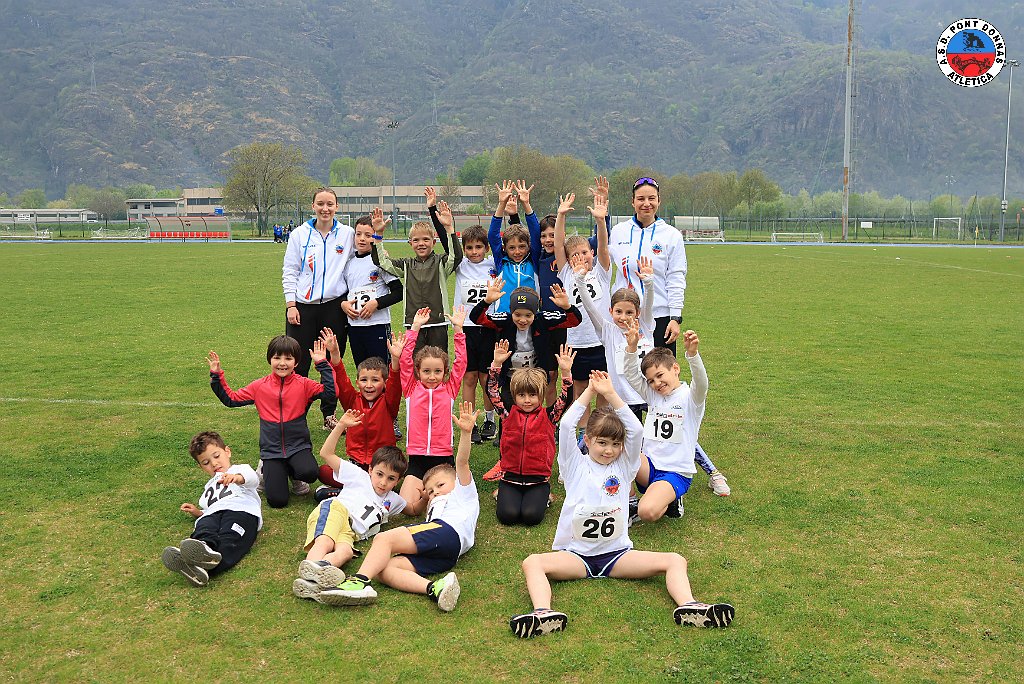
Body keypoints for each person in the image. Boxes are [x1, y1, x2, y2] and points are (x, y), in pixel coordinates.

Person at [508, 372, 734, 637]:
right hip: (577, 556)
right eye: (602, 443)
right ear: (587, 441)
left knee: (675, 560)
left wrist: (611, 394)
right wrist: (590, 392)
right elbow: (567, 424)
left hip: (617, 556)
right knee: (532, 563)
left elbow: (636, 430)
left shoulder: (625, 467)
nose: (608, 450)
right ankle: (543, 613)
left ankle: (690, 606)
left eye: (616, 444)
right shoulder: (573, 465)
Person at [607, 177, 729, 496]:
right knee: (631, 403)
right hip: (626, 318)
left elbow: (676, 277)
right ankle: (628, 474)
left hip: (659, 318)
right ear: (632, 202)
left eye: (651, 198)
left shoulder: (671, 235)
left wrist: (675, 316)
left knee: (668, 405)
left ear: (659, 201)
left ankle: (710, 470)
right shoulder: (618, 232)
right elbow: (604, 266)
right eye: (640, 198)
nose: (646, 203)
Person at [318, 401, 481, 612]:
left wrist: (466, 433)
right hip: (449, 552)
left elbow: (462, 462)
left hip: (447, 532)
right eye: (430, 490)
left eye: (440, 485)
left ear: (457, 481)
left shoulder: (463, 491)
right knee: (384, 569)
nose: (435, 492)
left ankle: (359, 581)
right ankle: (435, 588)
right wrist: (425, 499)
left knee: (384, 539)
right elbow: (415, 509)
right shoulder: (433, 506)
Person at [293, 410, 408, 604]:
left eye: (391, 479)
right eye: (379, 474)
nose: (383, 482)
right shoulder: (358, 476)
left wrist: (427, 495)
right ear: (370, 470)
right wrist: (341, 426)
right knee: (325, 542)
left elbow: (412, 509)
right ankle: (312, 567)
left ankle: (315, 579)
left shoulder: (393, 499)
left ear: (397, 481)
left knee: (346, 552)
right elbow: (326, 454)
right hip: (336, 510)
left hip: (351, 531)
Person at [470, 282, 581, 480]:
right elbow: (477, 318)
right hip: (510, 376)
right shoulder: (504, 320)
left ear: (535, 312)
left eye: (528, 315)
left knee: (535, 415)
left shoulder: (543, 320)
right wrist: (486, 301)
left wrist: (567, 306)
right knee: (507, 414)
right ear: (511, 312)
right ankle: (504, 461)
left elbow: (574, 320)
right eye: (518, 315)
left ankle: (535, 456)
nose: (522, 320)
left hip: (535, 377)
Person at [208, 336, 335, 508]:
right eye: (277, 357)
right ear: (270, 360)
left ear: (296, 362)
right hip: (271, 451)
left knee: (310, 473)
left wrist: (322, 364)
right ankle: (266, 469)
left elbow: (330, 394)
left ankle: (295, 474)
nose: (282, 363)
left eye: (288, 358)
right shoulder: (259, 386)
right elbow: (231, 399)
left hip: (298, 446)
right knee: (277, 501)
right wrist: (216, 376)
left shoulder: (304, 385)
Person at [623, 323, 712, 521]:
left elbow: (702, 383)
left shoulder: (691, 398)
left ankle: (671, 499)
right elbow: (631, 375)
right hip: (649, 467)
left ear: (675, 369)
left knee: (647, 512)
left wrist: (693, 355)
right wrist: (631, 347)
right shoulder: (653, 395)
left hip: (675, 472)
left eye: (660, 375)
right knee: (621, 449)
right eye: (651, 380)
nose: (657, 383)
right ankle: (631, 501)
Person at [282, 186, 354, 430]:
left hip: (334, 308)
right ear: (313, 206)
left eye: (330, 204)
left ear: (337, 207)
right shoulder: (299, 235)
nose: (325, 208)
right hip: (303, 308)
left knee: (331, 363)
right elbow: (290, 270)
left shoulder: (347, 234)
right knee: (298, 363)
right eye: (320, 204)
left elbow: (361, 261)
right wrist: (291, 304)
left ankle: (328, 414)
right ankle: (296, 415)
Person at [486, 343, 575, 526]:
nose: (527, 400)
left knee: (531, 517)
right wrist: (496, 364)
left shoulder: (549, 416)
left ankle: (545, 496)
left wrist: (566, 372)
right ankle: (502, 493)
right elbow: (492, 391)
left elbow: (566, 399)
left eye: (532, 395)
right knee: (507, 516)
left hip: (538, 480)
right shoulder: (507, 414)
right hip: (510, 477)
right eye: (522, 395)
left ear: (541, 395)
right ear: (514, 396)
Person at [161, 431, 261, 587]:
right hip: (213, 513)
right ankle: (200, 548)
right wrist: (198, 513)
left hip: (241, 511)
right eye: (206, 462)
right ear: (201, 467)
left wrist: (237, 478)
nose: (214, 464)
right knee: (204, 527)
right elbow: (210, 507)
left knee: (230, 538)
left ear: (227, 452)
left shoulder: (240, 469)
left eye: (216, 456)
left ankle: (203, 567)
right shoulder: (209, 486)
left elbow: (253, 479)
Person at [398, 305, 467, 516]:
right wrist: (415, 328)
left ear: (445, 373)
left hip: (443, 458)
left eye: (438, 371)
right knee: (407, 508)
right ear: (418, 371)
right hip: (417, 458)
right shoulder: (411, 389)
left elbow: (461, 363)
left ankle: (433, 493)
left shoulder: (449, 389)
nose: (432, 376)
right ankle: (427, 495)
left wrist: (458, 330)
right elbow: (405, 360)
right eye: (426, 371)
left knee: (447, 507)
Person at [552, 191, 613, 432]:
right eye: (574, 255)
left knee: (603, 391)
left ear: (592, 253)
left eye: (585, 252)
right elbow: (558, 244)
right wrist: (561, 215)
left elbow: (604, 246)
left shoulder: (601, 272)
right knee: (580, 390)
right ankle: (582, 435)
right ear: (567, 260)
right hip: (577, 343)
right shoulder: (567, 274)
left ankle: (601, 431)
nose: (580, 257)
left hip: (602, 342)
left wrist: (600, 221)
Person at [372, 200, 461, 353]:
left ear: (433, 242)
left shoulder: (441, 263)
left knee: (438, 362)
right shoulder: (406, 265)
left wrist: (449, 228)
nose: (421, 243)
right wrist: (378, 235)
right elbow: (381, 262)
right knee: (414, 363)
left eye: (426, 239)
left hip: (438, 323)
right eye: (416, 240)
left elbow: (456, 256)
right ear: (410, 243)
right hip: (413, 324)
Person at [316, 328, 403, 479]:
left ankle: (365, 485)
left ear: (384, 383)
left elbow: (395, 384)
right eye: (364, 380)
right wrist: (335, 353)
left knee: (381, 477)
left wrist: (395, 360)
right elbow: (341, 380)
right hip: (357, 461)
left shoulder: (389, 402)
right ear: (357, 382)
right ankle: (364, 484)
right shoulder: (352, 400)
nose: (369, 385)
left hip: (381, 463)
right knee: (324, 472)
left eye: (375, 380)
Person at [451, 219, 499, 444]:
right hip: (466, 329)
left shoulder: (494, 264)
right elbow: (449, 245)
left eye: (479, 247)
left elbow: (499, 241)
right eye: (469, 247)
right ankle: (470, 421)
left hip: (489, 327)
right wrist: (447, 227)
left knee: (487, 377)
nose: (474, 251)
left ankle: (490, 419)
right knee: (469, 377)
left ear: (486, 248)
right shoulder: (460, 265)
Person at [341, 211, 403, 371]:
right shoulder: (348, 264)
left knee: (381, 371)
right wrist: (343, 304)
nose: (362, 239)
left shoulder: (380, 262)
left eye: (368, 235)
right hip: (355, 327)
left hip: (377, 325)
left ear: (375, 237)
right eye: (358, 234)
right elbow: (343, 293)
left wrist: (376, 303)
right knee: (362, 370)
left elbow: (399, 292)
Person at [488, 180, 537, 313]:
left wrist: (526, 204)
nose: (517, 252)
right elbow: (492, 236)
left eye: (522, 246)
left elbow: (535, 233)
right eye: (512, 248)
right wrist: (501, 204)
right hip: (504, 316)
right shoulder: (502, 262)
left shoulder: (533, 261)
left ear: (528, 246)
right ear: (504, 248)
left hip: (528, 317)